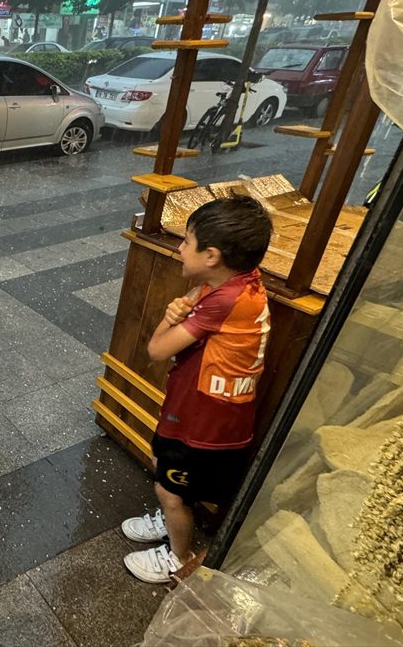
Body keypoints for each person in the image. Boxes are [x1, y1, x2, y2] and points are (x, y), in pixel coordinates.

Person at [120, 196, 273, 584]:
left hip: (202, 424)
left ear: (212, 256)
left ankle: (178, 557)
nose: (180, 248)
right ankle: (172, 521)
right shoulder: (240, 283)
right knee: (170, 477)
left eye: (187, 241)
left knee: (170, 489)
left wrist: (168, 318)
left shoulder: (221, 300)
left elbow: (156, 350)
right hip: (215, 417)